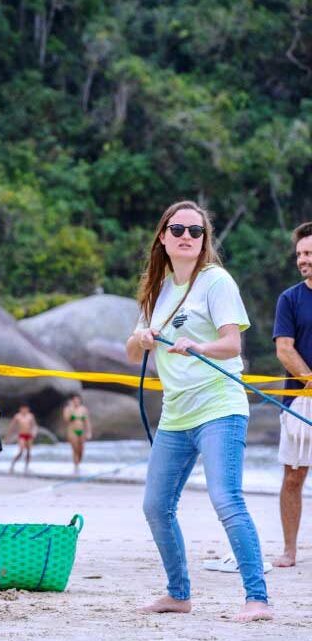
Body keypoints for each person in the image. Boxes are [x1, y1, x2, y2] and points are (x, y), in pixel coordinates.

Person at [125, 200, 272, 622]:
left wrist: (199, 345)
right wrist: (143, 337)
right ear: (163, 236)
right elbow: (132, 347)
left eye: (196, 231)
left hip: (220, 405)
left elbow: (232, 345)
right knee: (155, 506)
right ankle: (178, 593)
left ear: (205, 240)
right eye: (178, 230)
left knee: (226, 499)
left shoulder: (215, 281)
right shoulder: (158, 288)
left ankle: (257, 599)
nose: (187, 237)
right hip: (177, 413)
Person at [270, 221, 312, 568]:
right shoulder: (290, 298)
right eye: (300, 254)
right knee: (294, 476)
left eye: (309, 253)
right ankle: (289, 551)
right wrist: (311, 380)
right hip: (301, 400)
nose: (303, 259)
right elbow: (284, 349)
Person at [63, 394, 91, 474]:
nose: (76, 402)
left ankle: (78, 463)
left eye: (78, 400)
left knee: (81, 449)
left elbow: (87, 421)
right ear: (72, 401)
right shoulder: (68, 409)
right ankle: (76, 467)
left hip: (81, 431)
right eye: (75, 400)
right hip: (72, 431)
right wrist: (72, 409)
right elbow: (66, 419)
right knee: (75, 448)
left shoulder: (83, 409)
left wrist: (89, 431)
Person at [8, 404, 39, 474]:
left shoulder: (30, 416)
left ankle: (26, 467)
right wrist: (9, 436)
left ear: (28, 409)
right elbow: (12, 426)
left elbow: (34, 425)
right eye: (23, 409)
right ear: (20, 409)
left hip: (29, 435)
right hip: (21, 435)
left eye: (26, 409)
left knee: (28, 452)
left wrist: (34, 432)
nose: (24, 410)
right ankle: (12, 465)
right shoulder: (17, 416)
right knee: (21, 451)